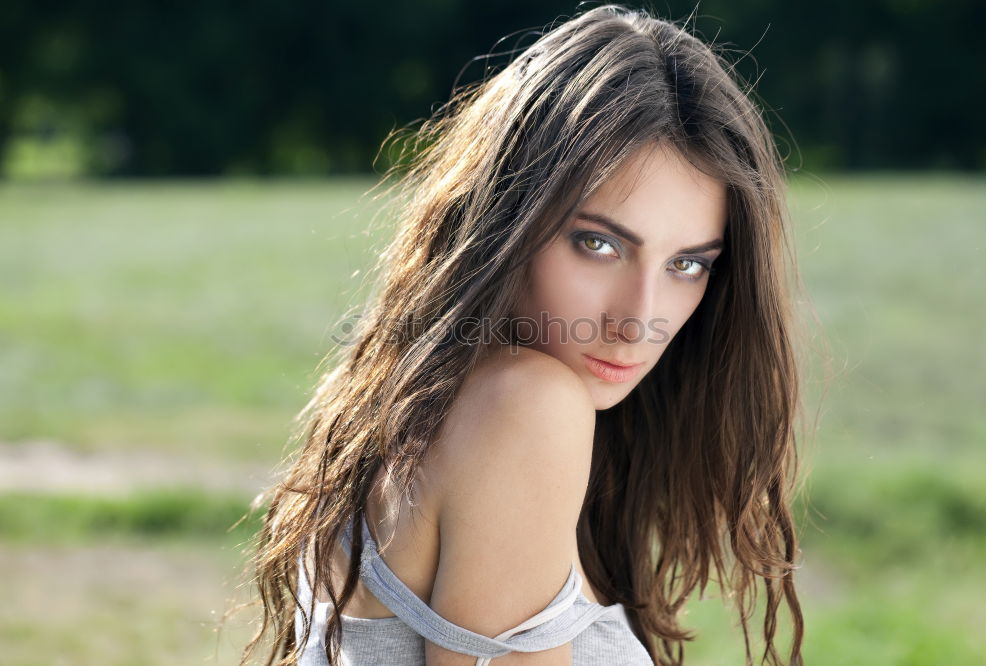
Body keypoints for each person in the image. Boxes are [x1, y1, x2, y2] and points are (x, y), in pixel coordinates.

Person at [241, 4, 809, 665]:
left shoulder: (425, 399)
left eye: (687, 264)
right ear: (507, 217)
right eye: (597, 244)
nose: (638, 320)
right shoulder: (525, 407)